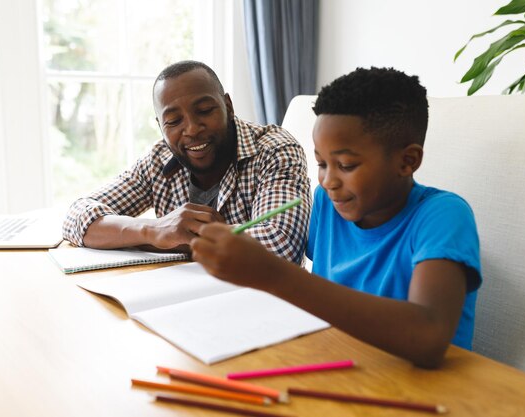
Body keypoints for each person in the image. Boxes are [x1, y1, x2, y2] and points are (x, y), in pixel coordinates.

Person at [191, 67, 482, 368]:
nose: (328, 181)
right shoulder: (328, 203)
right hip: (340, 367)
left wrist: (273, 274)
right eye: (321, 163)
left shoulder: (444, 216)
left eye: (345, 165)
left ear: (407, 161)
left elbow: (428, 337)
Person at [62, 60, 311, 263]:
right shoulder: (159, 160)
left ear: (228, 106)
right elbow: (78, 217)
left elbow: (280, 245)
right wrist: (155, 231)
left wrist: (177, 240)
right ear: (160, 126)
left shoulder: (274, 149)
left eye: (204, 110)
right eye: (173, 121)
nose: (191, 129)